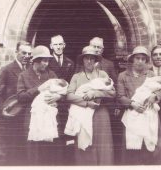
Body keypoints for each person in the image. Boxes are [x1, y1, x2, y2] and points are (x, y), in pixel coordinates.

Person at [66, 46, 115, 165]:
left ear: (95, 60)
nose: (89, 61)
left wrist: (96, 92)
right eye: (86, 58)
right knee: (86, 143)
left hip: (100, 113)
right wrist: (86, 103)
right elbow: (69, 96)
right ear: (82, 60)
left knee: (102, 144)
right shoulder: (76, 77)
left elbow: (113, 93)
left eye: (92, 58)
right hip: (82, 113)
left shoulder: (102, 74)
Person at [116, 45, 161, 165]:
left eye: (143, 59)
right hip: (132, 116)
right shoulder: (123, 76)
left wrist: (155, 96)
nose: (140, 61)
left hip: (149, 116)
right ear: (132, 59)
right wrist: (133, 104)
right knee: (133, 149)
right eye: (137, 58)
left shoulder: (151, 75)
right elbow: (120, 96)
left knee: (151, 148)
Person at [17, 45, 65, 165]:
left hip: (50, 120)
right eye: (44, 60)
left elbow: (63, 92)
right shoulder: (24, 76)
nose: (46, 64)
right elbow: (21, 97)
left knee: (52, 155)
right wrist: (39, 88)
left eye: (48, 61)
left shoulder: (52, 74)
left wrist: (58, 97)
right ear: (35, 61)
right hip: (33, 121)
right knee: (34, 156)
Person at [0, 41, 32, 165]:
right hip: (14, 118)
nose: (27, 56)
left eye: (29, 53)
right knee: (14, 152)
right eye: (24, 53)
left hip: (29, 117)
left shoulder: (32, 71)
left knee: (29, 152)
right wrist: (3, 111)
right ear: (16, 52)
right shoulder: (7, 70)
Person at [89, 37, 120, 164]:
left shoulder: (109, 64)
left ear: (102, 49)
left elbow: (115, 85)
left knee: (103, 139)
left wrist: (117, 105)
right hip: (87, 106)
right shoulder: (84, 62)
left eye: (99, 47)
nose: (96, 49)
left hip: (104, 106)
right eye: (94, 46)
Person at [48, 35, 75, 165]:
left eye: (60, 44)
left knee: (67, 133)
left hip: (65, 104)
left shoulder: (70, 63)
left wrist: (63, 97)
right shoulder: (46, 62)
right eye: (55, 45)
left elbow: (71, 85)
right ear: (51, 46)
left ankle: (67, 162)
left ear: (64, 45)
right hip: (51, 103)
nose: (58, 47)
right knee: (54, 133)